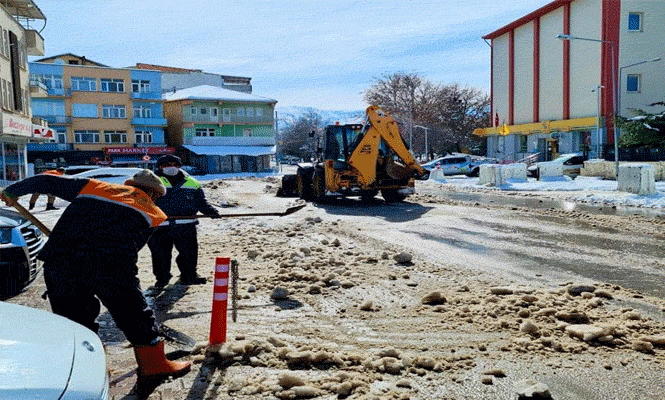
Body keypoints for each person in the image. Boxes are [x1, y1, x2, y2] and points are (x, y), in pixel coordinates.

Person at [0, 169, 191, 379]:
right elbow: (132, 247)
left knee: (73, 316)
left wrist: (12, 191)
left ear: (128, 183)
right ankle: (153, 366)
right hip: (111, 266)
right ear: (154, 194)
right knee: (134, 313)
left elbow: (45, 181)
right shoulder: (154, 213)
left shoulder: (96, 187)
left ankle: (88, 371)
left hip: (62, 259)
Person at [148, 155, 220, 287]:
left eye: (174, 164)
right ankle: (162, 279)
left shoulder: (191, 182)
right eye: (166, 165)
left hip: (185, 225)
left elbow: (200, 202)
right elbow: (142, 202)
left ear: (179, 166)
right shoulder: (151, 182)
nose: (171, 167)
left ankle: (188, 275)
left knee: (188, 254)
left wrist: (211, 212)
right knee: (160, 255)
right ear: (160, 167)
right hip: (159, 227)